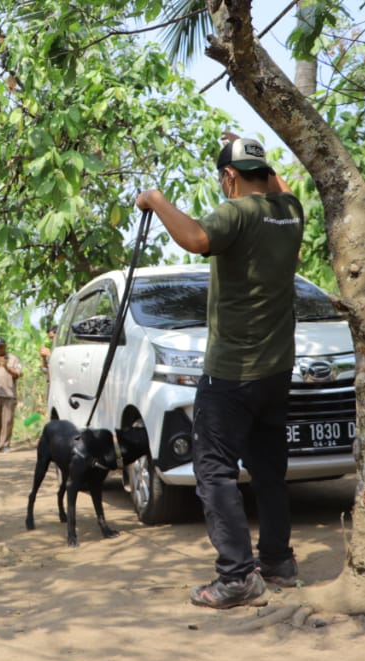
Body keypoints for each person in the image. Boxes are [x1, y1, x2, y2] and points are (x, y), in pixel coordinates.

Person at [136, 135, 304, 609]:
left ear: (229, 177)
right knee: (269, 470)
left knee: (213, 471)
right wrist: (252, 154)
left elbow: (195, 239)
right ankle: (278, 562)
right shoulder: (290, 212)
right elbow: (282, 187)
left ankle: (236, 576)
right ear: (264, 172)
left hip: (232, 371)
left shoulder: (236, 213)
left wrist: (156, 200)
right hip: (277, 370)